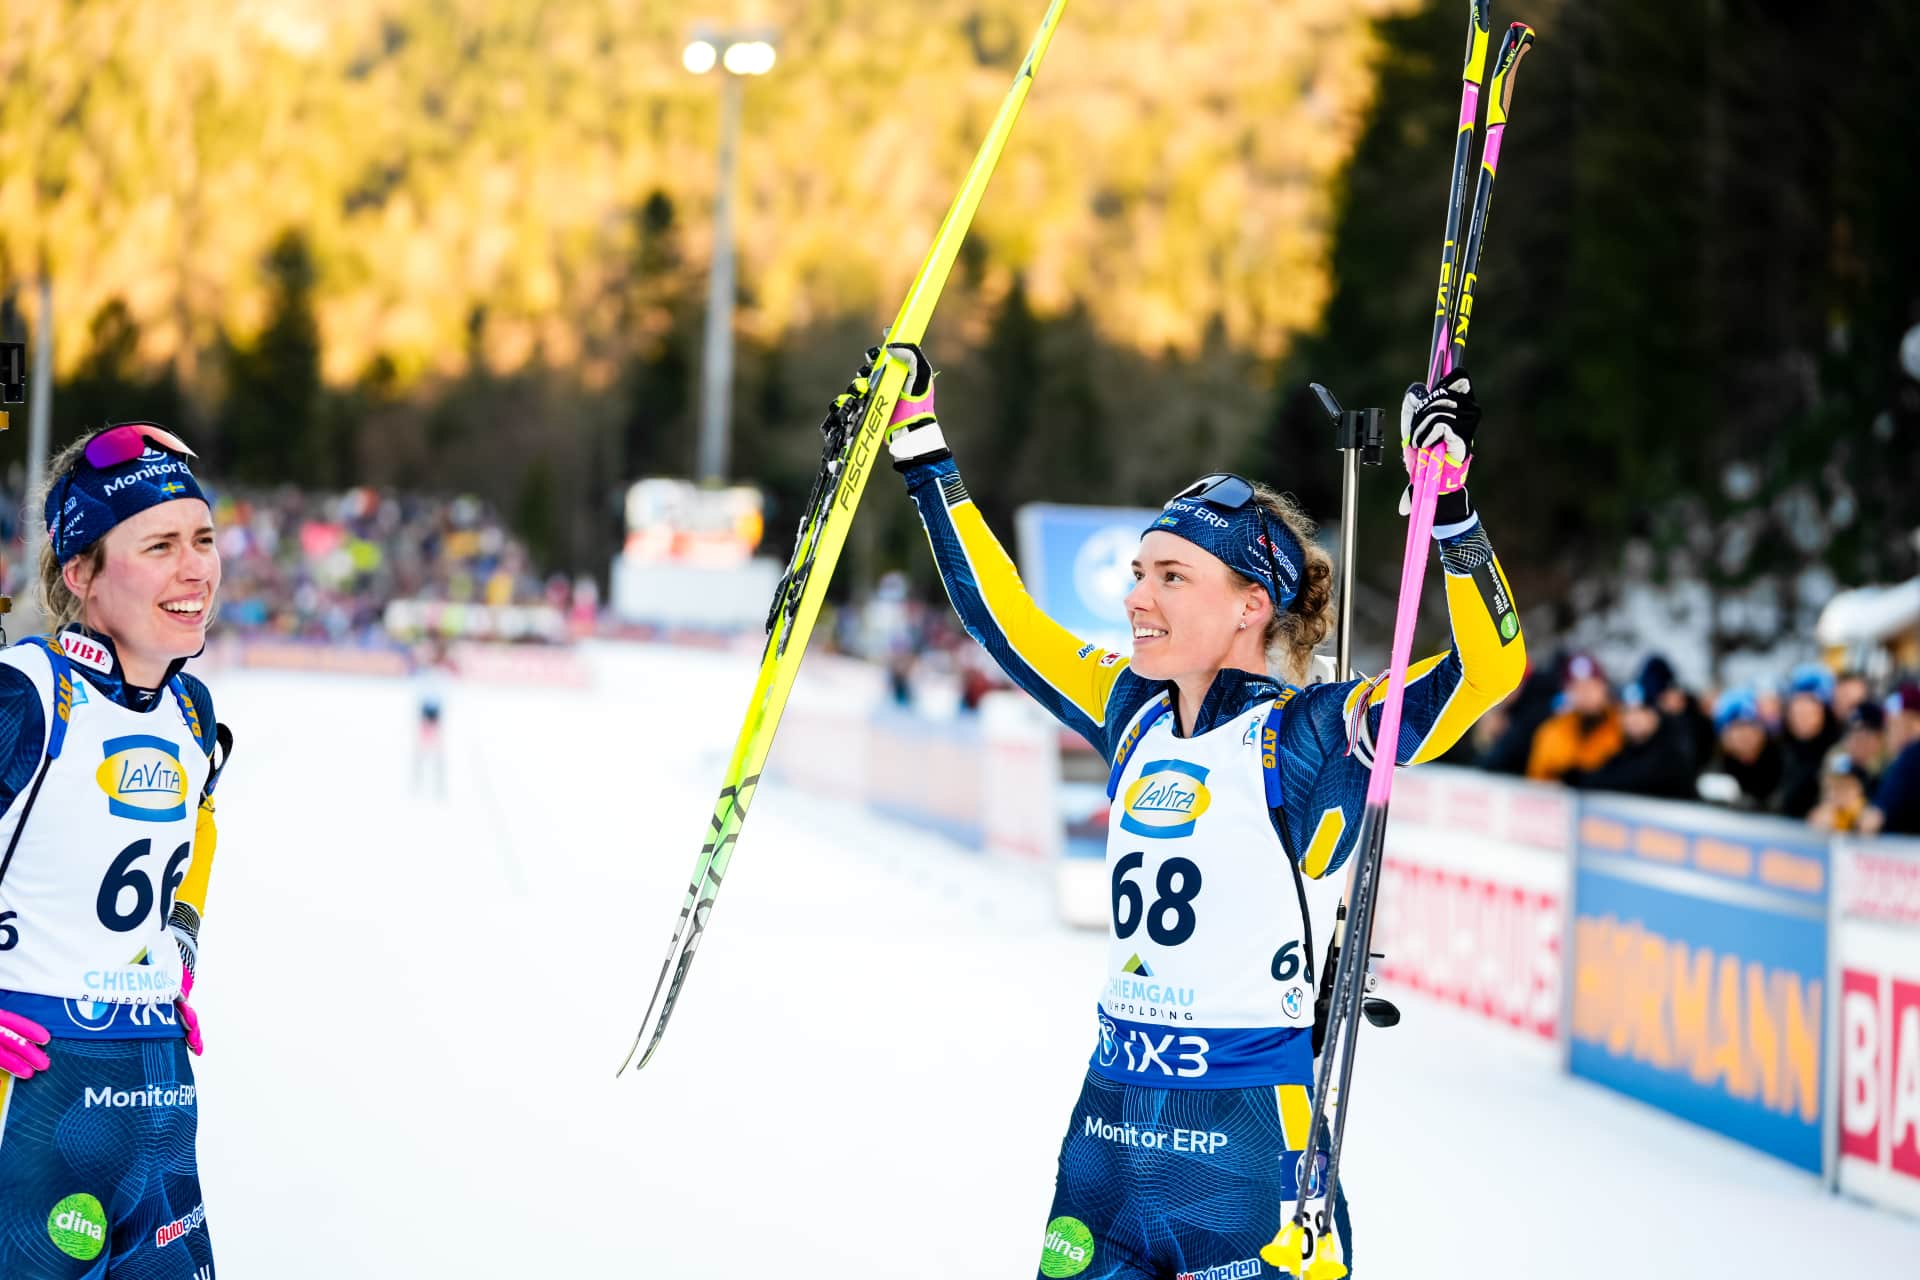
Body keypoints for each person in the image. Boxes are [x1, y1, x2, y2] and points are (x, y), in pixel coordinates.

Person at [874, 344, 1527, 1279]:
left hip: (1249, 1142)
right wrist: (922, 447)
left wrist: (1453, 515)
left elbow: (1488, 670)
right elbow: (1005, 621)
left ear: (1251, 605)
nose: (1136, 597)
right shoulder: (1131, 711)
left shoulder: (1310, 737)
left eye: (1171, 577)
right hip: (1108, 1132)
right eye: (1138, 573)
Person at [0, 422, 229, 1278]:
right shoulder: (28, 697)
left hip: (158, 1107)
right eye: (160, 544)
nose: (196, 568)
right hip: (34, 1105)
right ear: (81, 573)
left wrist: (178, 949)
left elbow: (197, 837)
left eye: (203, 539)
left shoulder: (191, 714)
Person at [1561, 681, 1697, 799]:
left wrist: (1585, 781)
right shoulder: (1625, 752)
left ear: (1654, 715)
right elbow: (1607, 772)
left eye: (1640, 711)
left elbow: (1633, 779)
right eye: (1626, 712)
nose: (1633, 719)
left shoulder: (1670, 754)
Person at [1524, 653, 1623, 783]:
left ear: (1603, 687)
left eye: (1591, 686)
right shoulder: (1551, 731)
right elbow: (1536, 779)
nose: (1585, 694)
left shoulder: (1622, 728)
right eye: (1577, 688)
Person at [1773, 664, 1840, 819]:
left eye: (1809, 707)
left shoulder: (1837, 753)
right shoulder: (1779, 748)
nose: (1801, 715)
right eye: (1797, 708)